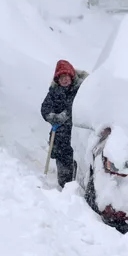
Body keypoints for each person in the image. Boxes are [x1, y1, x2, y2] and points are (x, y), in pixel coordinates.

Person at [41, 59, 89, 188]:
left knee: (78, 163)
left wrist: (65, 115)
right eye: (61, 77)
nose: (64, 80)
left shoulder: (80, 89)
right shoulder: (54, 91)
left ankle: (78, 190)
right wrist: (51, 117)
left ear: (71, 76)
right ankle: (64, 190)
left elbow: (79, 107)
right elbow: (45, 108)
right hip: (60, 135)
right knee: (62, 163)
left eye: (66, 76)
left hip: (77, 133)